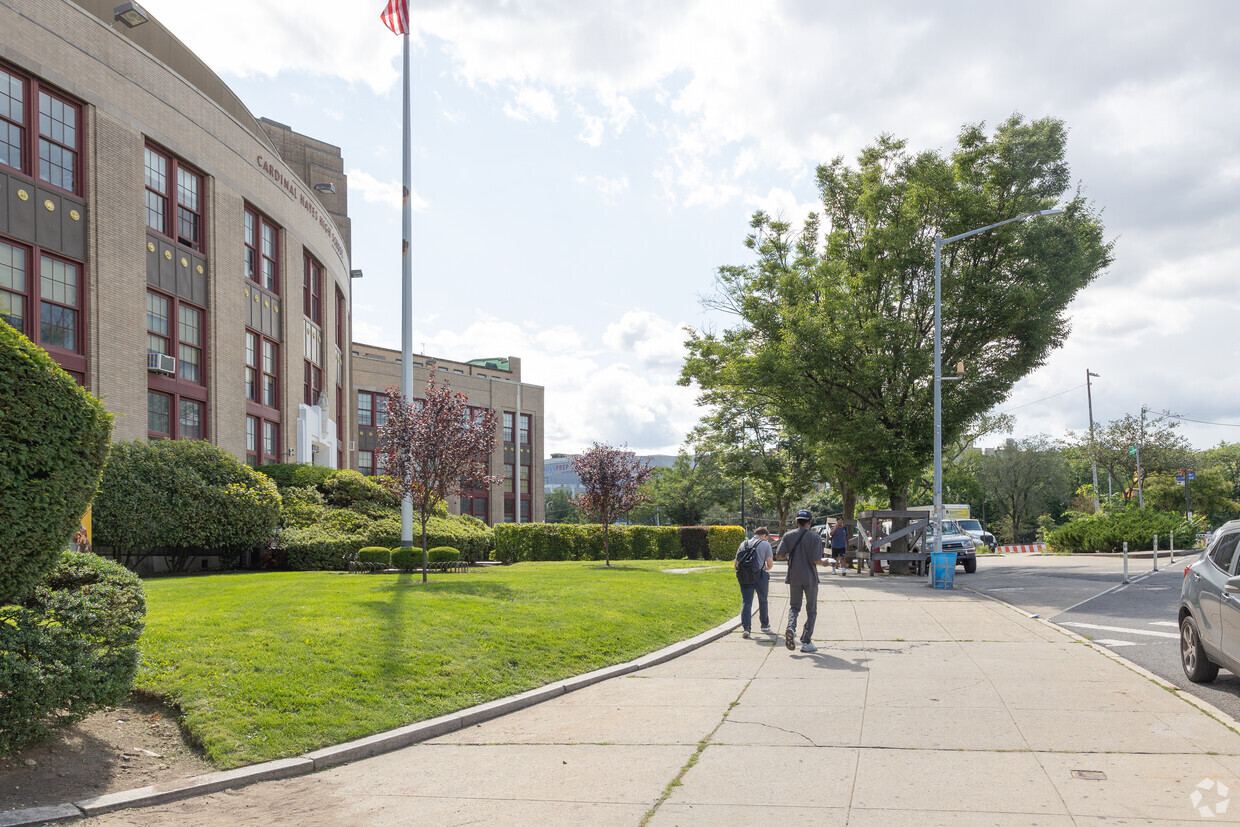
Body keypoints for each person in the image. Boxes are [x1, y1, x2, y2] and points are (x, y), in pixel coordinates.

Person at [775, 509, 830, 652]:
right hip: (810, 577)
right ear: (810, 522)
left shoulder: (788, 536)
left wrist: (791, 556)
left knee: (794, 607)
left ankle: (791, 628)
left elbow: (779, 556)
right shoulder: (815, 537)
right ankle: (806, 641)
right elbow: (816, 560)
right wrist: (825, 563)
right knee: (811, 610)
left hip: (794, 576)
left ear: (797, 522)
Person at [734, 527, 775, 638]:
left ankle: (746, 628)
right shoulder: (765, 544)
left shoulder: (743, 543)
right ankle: (764, 625)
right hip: (759, 575)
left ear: (755, 534)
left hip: (745, 576)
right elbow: (770, 564)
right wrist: (765, 569)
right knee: (763, 600)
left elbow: (736, 564)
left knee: (747, 602)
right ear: (764, 536)